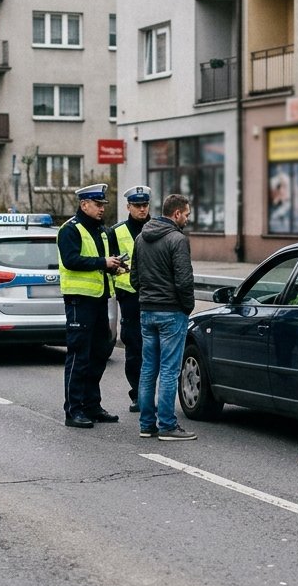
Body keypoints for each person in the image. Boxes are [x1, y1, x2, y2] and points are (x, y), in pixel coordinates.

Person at [57, 183, 127, 428]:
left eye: (103, 205)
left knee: (100, 353)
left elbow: (107, 261)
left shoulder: (103, 231)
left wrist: (117, 265)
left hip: (100, 299)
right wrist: (103, 262)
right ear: (83, 204)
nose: (101, 209)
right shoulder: (70, 230)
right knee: (79, 355)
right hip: (79, 300)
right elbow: (71, 259)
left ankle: (92, 405)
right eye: (97, 205)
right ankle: (73, 410)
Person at [131, 193, 196, 441]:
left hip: (147, 311)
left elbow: (134, 278)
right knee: (170, 370)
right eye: (187, 214)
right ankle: (167, 425)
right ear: (176, 213)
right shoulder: (177, 240)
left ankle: (147, 424)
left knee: (148, 369)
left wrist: (147, 297)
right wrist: (187, 307)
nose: (188, 219)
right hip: (171, 312)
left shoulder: (141, 237)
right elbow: (184, 280)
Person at [110, 186, 152, 413]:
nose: (142, 209)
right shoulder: (116, 232)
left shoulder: (161, 229)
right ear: (128, 207)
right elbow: (110, 264)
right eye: (137, 206)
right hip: (130, 299)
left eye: (145, 205)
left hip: (156, 296)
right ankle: (137, 394)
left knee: (155, 348)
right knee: (135, 348)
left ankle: (153, 394)